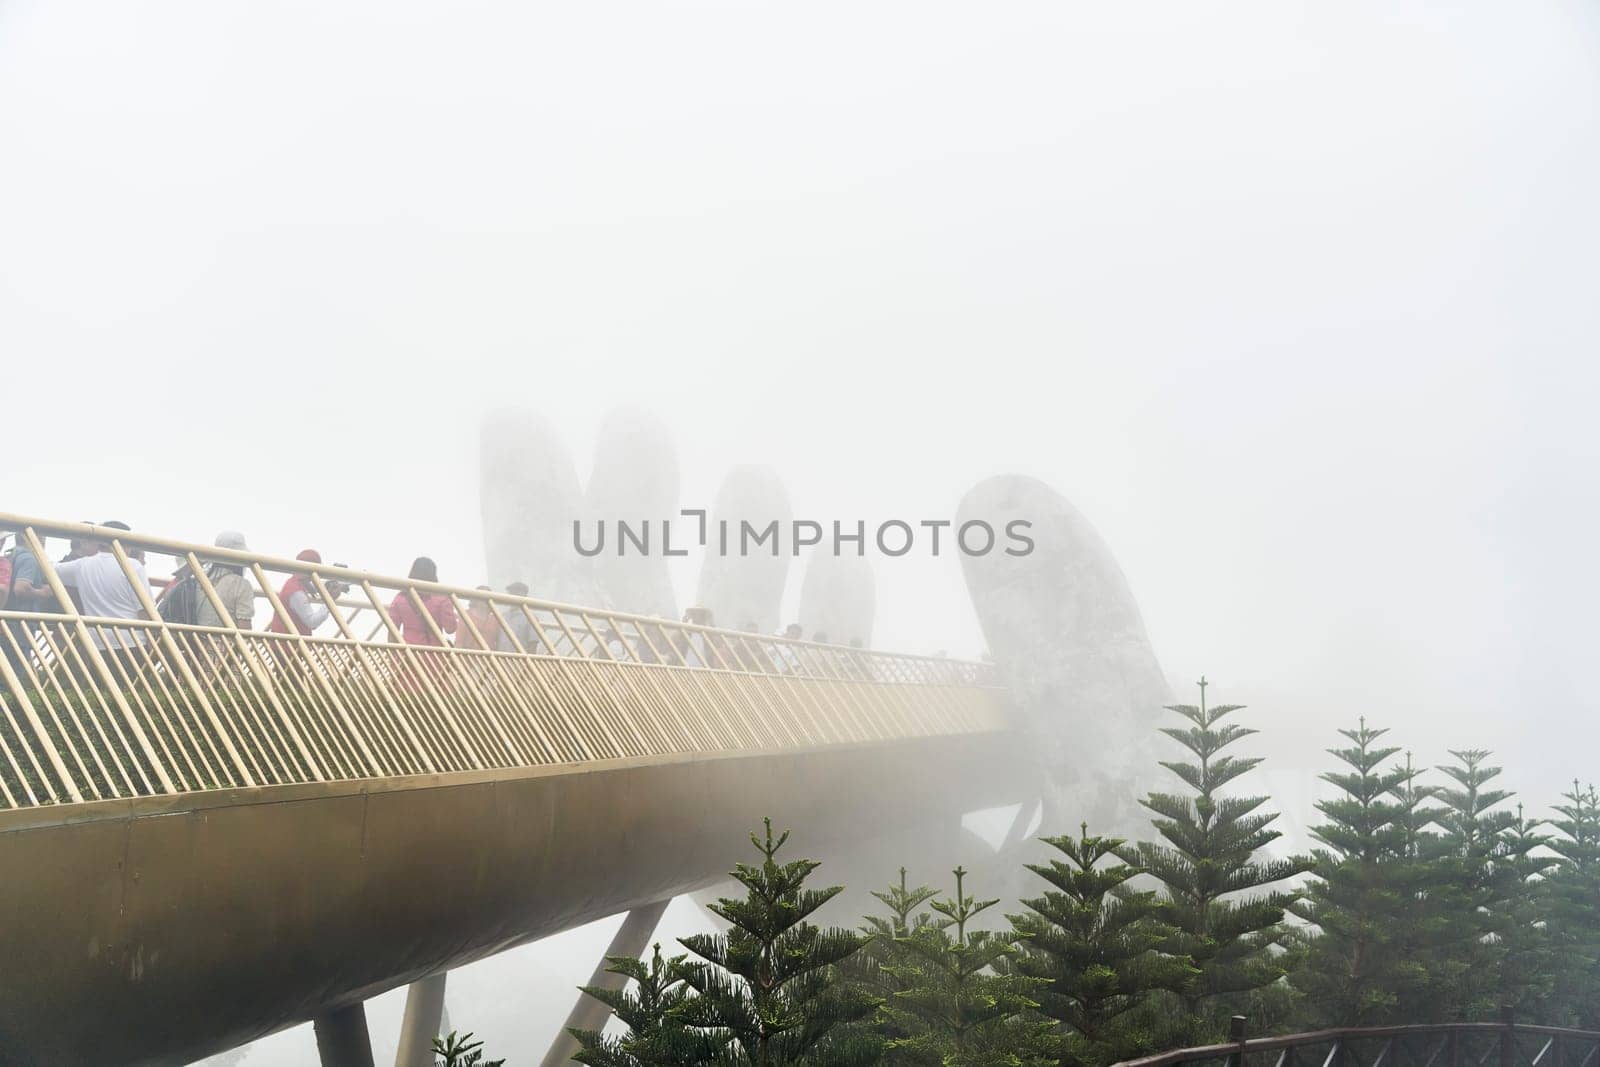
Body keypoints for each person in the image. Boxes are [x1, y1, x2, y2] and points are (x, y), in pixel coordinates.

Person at [53, 521, 152, 678]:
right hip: (132, 641)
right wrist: (153, 644)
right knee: (134, 695)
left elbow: (51, 570)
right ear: (126, 541)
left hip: (96, 641)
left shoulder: (82, 565)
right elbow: (145, 610)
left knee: (102, 695)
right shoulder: (133, 566)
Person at [265, 549, 345, 637]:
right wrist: (330, 600)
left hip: (286, 645)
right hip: (288, 647)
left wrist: (331, 581)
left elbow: (315, 586)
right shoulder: (296, 592)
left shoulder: (294, 583)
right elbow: (312, 622)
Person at [388, 557, 457, 646]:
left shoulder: (401, 598)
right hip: (435, 655)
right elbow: (450, 629)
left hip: (409, 653)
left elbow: (392, 633)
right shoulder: (441, 598)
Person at [195, 531, 255, 631]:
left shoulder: (200, 580)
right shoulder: (241, 585)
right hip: (226, 644)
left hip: (196, 642)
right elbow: (245, 628)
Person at [498, 581, 542, 654]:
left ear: (524, 596)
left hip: (518, 662)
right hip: (500, 662)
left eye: (516, 593)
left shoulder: (530, 617)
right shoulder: (503, 616)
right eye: (511, 594)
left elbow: (533, 645)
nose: (512, 597)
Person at [459, 585, 505, 651]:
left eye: (487, 598)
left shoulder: (495, 619)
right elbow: (459, 641)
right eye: (482, 597)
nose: (485, 600)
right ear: (475, 599)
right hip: (468, 658)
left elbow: (498, 643)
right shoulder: (466, 615)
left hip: (489, 659)